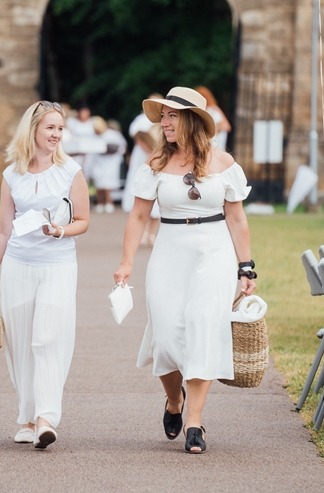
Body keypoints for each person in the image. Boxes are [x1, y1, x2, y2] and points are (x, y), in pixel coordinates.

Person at [113, 86, 256, 454]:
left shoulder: (224, 164)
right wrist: (126, 262)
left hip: (214, 252)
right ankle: (173, 400)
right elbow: (139, 216)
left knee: (203, 327)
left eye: (171, 115)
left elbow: (237, 219)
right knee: (166, 333)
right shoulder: (156, 164)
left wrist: (246, 267)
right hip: (169, 250)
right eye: (163, 116)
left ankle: (194, 420)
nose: (164, 122)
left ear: (191, 120)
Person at [0, 100, 90, 450]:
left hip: (57, 265)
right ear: (33, 130)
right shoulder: (12, 174)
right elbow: (1, 231)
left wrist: (59, 231)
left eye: (59, 128)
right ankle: (25, 416)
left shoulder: (71, 171)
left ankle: (46, 418)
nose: (56, 134)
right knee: (22, 344)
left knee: (46, 338)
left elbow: (83, 221)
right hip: (18, 266)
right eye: (49, 128)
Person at [123, 93, 163, 245]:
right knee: (142, 194)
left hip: (159, 158)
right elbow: (138, 136)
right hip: (143, 158)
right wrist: (151, 151)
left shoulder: (163, 120)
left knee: (157, 196)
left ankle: (152, 233)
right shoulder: (140, 120)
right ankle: (143, 232)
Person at [91, 117, 127, 213]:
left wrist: (108, 150)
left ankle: (108, 203)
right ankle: (100, 203)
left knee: (108, 184)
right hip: (98, 162)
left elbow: (122, 147)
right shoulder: (94, 136)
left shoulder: (112, 134)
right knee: (99, 184)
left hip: (110, 163)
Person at [195, 86, 232, 151]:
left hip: (216, 141)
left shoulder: (214, 109)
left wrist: (215, 129)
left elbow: (226, 126)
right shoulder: (200, 111)